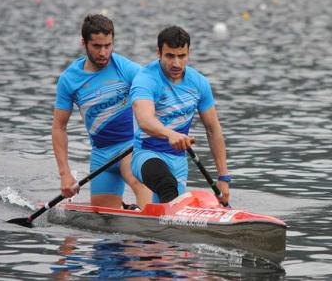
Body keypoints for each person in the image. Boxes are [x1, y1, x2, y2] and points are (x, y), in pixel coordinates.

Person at [52, 14, 151, 209]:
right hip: (101, 155)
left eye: (108, 45)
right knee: (104, 219)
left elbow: (154, 86)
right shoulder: (69, 79)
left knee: (138, 180)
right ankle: (129, 210)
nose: (104, 52)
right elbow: (59, 127)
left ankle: (152, 224)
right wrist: (65, 174)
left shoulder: (125, 68)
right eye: (97, 46)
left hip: (130, 147)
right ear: (84, 43)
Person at [130, 25, 230, 204]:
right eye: (170, 56)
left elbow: (213, 129)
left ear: (188, 53)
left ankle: (146, 218)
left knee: (167, 201)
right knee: (167, 186)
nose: (176, 63)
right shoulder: (146, 79)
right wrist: (170, 134)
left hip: (178, 161)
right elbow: (144, 120)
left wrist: (223, 178)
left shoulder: (199, 83)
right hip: (146, 154)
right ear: (159, 53)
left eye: (182, 56)